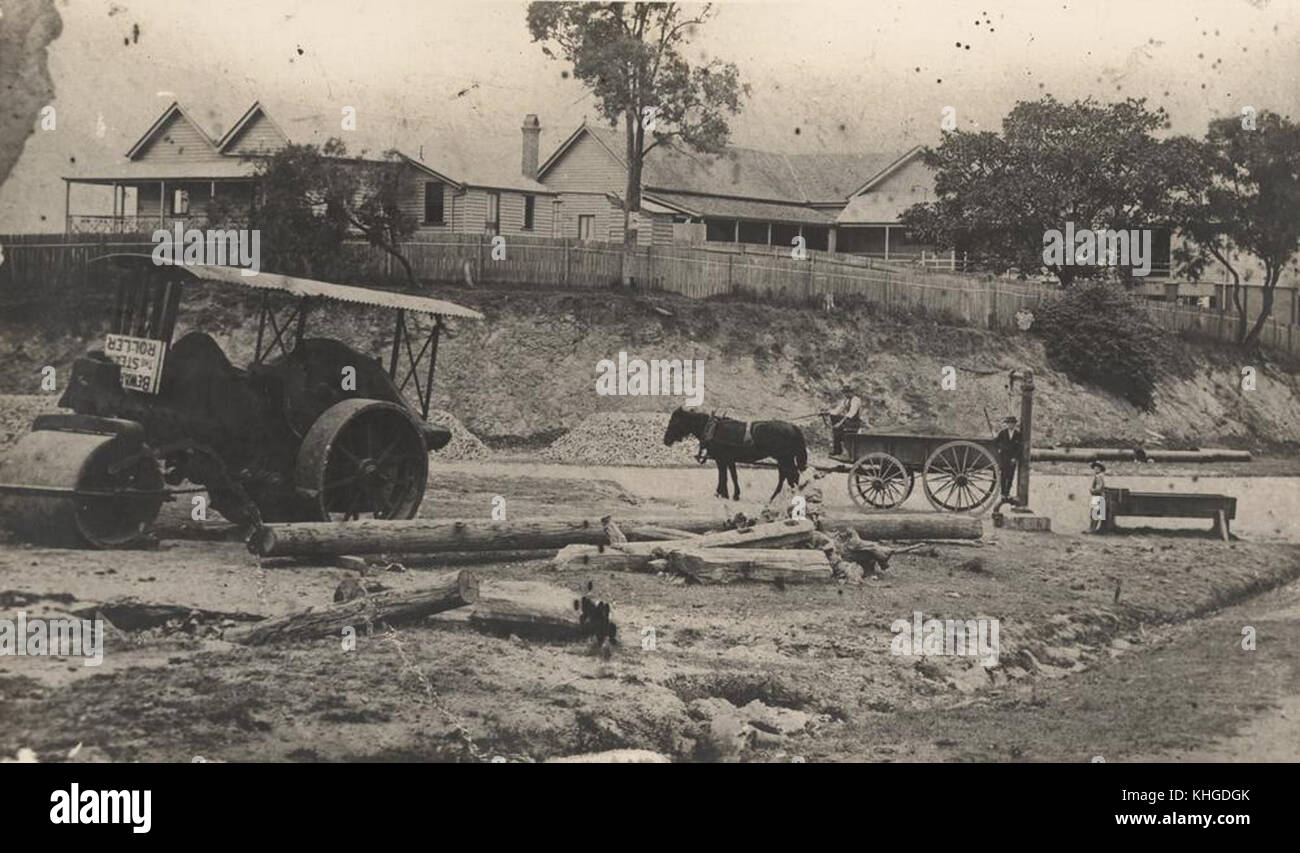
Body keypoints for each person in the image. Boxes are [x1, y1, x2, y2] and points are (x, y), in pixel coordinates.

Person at [825, 383, 862, 457]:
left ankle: (838, 450)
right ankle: (837, 449)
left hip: (855, 422)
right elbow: (837, 410)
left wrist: (840, 423)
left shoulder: (856, 400)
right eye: (845, 393)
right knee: (833, 417)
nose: (846, 394)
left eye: (847, 392)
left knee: (838, 428)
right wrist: (827, 412)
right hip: (849, 421)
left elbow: (851, 413)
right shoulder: (846, 400)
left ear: (852, 392)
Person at [993, 416, 1021, 501]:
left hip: (1012, 458)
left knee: (1011, 476)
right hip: (1004, 457)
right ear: (1007, 424)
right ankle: (1003, 493)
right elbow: (996, 442)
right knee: (1003, 475)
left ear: (1015, 424)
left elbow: (1019, 447)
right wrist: (1000, 449)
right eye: (1009, 423)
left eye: (1012, 423)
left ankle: (1007, 493)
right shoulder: (1003, 433)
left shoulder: (1017, 434)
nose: (1011, 425)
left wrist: (1015, 457)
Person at [1087, 460, 1107, 533]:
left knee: (1095, 514)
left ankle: (1092, 529)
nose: (1095, 469)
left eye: (1097, 467)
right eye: (1095, 467)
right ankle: (1093, 529)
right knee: (1097, 514)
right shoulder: (1101, 475)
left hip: (1098, 495)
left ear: (1100, 468)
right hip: (1101, 496)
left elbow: (1099, 487)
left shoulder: (1098, 476)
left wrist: (1092, 490)